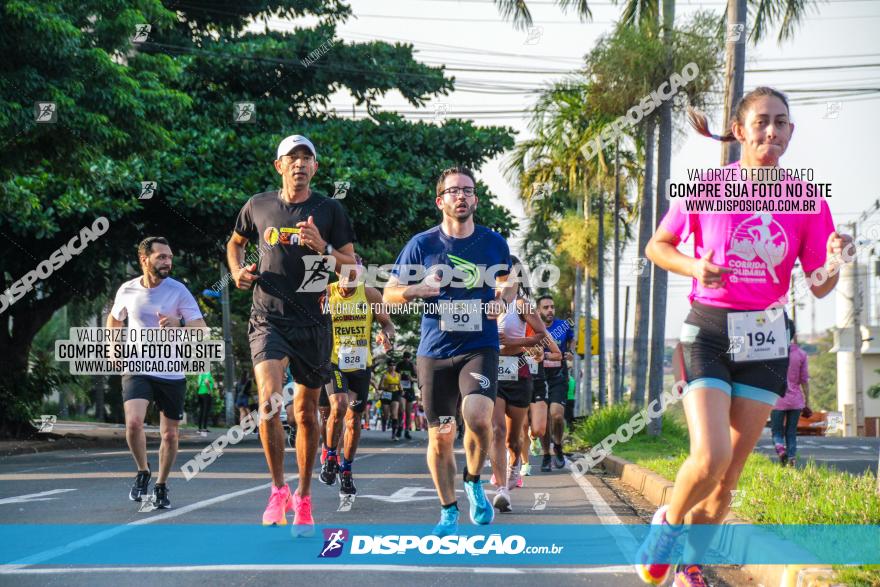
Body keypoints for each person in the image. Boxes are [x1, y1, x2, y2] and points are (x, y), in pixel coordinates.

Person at [635, 87, 852, 586]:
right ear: (740, 130)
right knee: (709, 455)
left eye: (781, 122)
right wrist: (694, 265)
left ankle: (692, 561)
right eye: (761, 122)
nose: (771, 131)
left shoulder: (807, 200)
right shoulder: (709, 186)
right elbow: (657, 246)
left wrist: (838, 257)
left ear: (791, 132)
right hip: (708, 330)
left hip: (767, 338)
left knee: (728, 474)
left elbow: (821, 287)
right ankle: (666, 525)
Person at [227, 134, 356, 536]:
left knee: (305, 412)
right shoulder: (258, 205)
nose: (299, 164)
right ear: (278, 165)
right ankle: (277, 489)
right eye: (292, 157)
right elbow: (235, 244)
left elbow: (352, 268)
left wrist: (324, 248)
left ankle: (302, 496)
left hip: (314, 322)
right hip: (268, 316)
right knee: (268, 402)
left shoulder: (330, 210)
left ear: (315, 167)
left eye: (307, 158)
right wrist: (236, 271)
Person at [383, 165, 515, 536]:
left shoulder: (493, 242)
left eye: (468, 190)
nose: (462, 196)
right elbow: (390, 294)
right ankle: (447, 509)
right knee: (441, 435)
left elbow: (508, 284)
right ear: (441, 200)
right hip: (435, 350)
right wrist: (415, 290)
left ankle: (473, 480)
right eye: (454, 191)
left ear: (475, 199)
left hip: (479, 345)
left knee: (477, 416)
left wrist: (501, 299)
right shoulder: (421, 245)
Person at [108, 236, 207, 509]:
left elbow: (200, 328)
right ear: (144, 260)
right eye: (161, 257)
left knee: (170, 435)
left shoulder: (179, 291)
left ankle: (161, 484)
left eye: (170, 257)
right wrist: (113, 347)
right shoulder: (127, 290)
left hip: (171, 370)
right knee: (134, 423)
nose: (167, 262)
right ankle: (143, 471)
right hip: (137, 366)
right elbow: (115, 318)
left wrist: (180, 323)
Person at [319, 255, 395, 495]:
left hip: (362, 365)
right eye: (343, 275)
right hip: (335, 361)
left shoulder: (371, 295)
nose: (347, 282)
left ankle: (347, 470)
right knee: (338, 406)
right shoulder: (326, 293)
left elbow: (387, 323)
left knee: (353, 420)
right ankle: (331, 455)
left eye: (353, 277)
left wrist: (386, 335)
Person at [489, 256, 556, 512]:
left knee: (513, 440)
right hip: (493, 370)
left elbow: (542, 336)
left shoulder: (522, 305)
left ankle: (514, 469)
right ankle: (502, 489)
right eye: (497, 274)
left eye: (506, 274)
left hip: (519, 372)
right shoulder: (489, 303)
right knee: (496, 430)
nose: (501, 279)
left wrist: (516, 343)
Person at [536, 295, 574, 471]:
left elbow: (570, 344)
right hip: (539, 376)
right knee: (542, 420)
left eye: (552, 307)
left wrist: (570, 353)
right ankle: (545, 454)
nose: (550, 310)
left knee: (557, 415)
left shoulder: (563, 326)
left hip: (559, 376)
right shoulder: (533, 326)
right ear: (538, 311)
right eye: (546, 307)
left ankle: (557, 445)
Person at [770, 324, 810, 467]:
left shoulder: (773, 352)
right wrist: (807, 402)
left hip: (777, 400)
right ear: (793, 334)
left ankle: (781, 450)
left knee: (777, 431)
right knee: (791, 432)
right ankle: (791, 460)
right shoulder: (801, 354)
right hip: (796, 401)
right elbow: (804, 381)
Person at [397, 351, 418, 439]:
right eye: (405, 357)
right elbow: (394, 375)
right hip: (401, 390)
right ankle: (399, 427)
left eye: (408, 357)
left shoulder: (412, 366)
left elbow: (418, 379)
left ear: (410, 358)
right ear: (403, 357)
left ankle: (407, 430)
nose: (406, 359)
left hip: (409, 390)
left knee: (408, 412)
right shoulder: (399, 365)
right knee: (401, 410)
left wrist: (411, 378)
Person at [380, 363, 403, 441]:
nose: (392, 367)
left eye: (394, 365)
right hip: (386, 394)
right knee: (386, 414)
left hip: (395, 394)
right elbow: (380, 386)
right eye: (391, 365)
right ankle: (384, 420)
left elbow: (399, 384)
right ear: (388, 366)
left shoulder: (398, 375)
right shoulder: (385, 375)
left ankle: (393, 434)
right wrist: (387, 386)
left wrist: (402, 390)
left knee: (394, 414)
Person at [196, 369, 217, 435]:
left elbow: (198, 385)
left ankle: (199, 428)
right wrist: (209, 390)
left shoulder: (200, 374)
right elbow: (206, 381)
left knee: (201, 410)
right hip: (206, 393)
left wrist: (198, 392)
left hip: (200, 393)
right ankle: (204, 428)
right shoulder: (208, 373)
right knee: (206, 410)